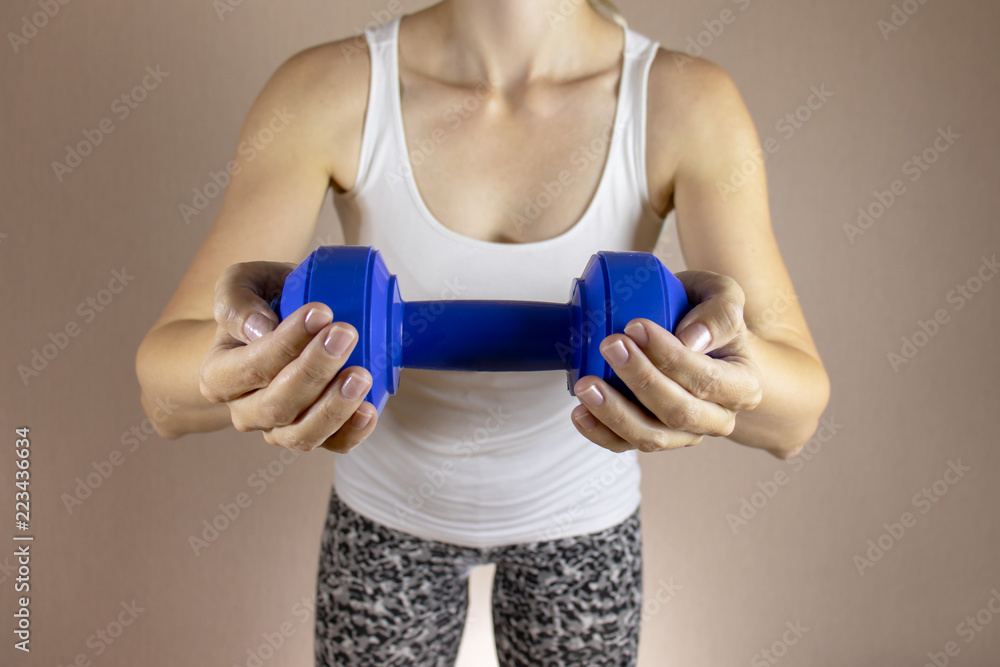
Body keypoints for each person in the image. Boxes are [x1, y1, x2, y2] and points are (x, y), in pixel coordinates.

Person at [135, 0, 830, 664]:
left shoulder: (688, 102)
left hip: (582, 525)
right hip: (385, 517)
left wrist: (713, 372)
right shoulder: (324, 89)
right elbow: (164, 398)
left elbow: (795, 418)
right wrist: (248, 359)